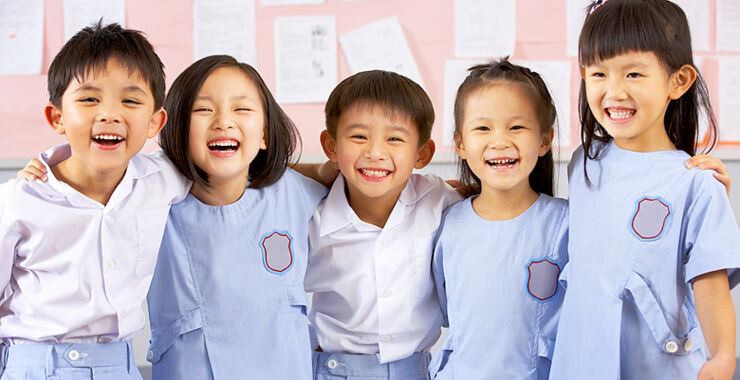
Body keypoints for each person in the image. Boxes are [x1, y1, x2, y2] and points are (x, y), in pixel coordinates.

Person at [550, 1, 740, 379]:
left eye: (634, 74)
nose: (614, 91)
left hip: (655, 365)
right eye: (599, 73)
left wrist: (722, 356)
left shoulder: (696, 182)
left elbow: (709, 281)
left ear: (678, 81)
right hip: (580, 361)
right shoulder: (584, 163)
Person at [0, 22, 189, 379]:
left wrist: (323, 172)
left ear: (154, 122)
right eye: (89, 98)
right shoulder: (19, 200)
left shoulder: (163, 179)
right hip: (34, 364)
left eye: (130, 100)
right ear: (57, 116)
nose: (109, 113)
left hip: (119, 366)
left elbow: (227, 170)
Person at [144, 55, 332, 379]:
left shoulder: (294, 193)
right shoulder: (152, 196)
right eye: (203, 109)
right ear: (175, 128)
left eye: (241, 109)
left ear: (265, 136)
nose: (223, 121)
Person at [304, 70, 462, 380]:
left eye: (394, 139)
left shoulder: (439, 200)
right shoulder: (313, 216)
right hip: (333, 370)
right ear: (332, 146)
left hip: (414, 371)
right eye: (359, 136)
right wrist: (319, 171)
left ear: (422, 153)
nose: (375, 152)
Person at [430, 59, 567, 380]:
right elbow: (448, 311)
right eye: (482, 128)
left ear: (545, 140)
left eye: (516, 127)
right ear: (461, 144)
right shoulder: (448, 224)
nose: (500, 140)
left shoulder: (567, 224)